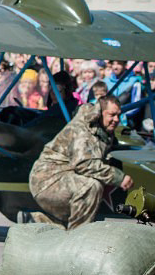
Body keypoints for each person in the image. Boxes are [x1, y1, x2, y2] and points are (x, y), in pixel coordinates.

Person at [29, 96, 134, 229]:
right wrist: (119, 177)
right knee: (91, 186)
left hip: (63, 177)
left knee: (75, 213)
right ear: (99, 113)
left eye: (118, 115)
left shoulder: (101, 129)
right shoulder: (83, 130)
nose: (116, 120)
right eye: (112, 115)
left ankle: (37, 221)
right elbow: (84, 164)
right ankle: (77, 236)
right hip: (47, 180)